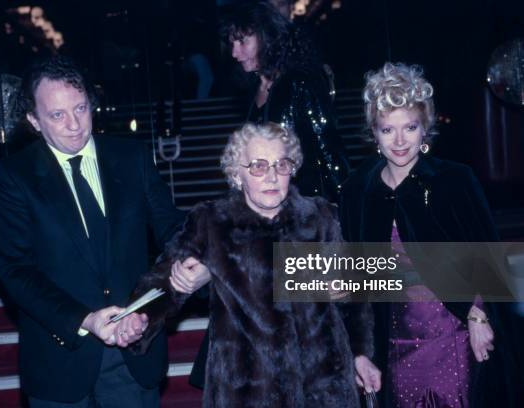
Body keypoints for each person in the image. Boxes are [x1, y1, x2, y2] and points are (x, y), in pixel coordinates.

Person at [0, 55, 207, 408]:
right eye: (57, 115)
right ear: (34, 120)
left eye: (80, 108)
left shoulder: (131, 157)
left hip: (134, 349)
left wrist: (199, 257)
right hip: (59, 357)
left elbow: (170, 227)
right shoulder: (14, 176)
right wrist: (85, 319)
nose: (74, 125)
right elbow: (14, 269)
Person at [120, 123, 380, 407]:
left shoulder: (320, 218)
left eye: (281, 165)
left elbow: (354, 298)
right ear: (236, 173)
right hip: (246, 389)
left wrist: (361, 353)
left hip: (323, 385)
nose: (271, 176)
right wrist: (139, 316)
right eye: (258, 166)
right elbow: (164, 280)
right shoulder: (212, 222)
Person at [339, 62, 520, 407]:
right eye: (387, 130)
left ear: (425, 129)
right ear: (373, 133)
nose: (400, 140)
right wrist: (359, 350)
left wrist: (479, 314)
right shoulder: (357, 191)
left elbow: (486, 258)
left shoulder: (453, 181)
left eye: (410, 127)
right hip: (392, 345)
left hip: (454, 336)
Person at [220, 0, 349, 201]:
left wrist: (347, 210)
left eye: (242, 42)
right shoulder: (255, 88)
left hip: (307, 211)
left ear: (266, 38)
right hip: (271, 209)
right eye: (232, 44)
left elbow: (329, 149)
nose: (235, 53)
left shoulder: (299, 82)